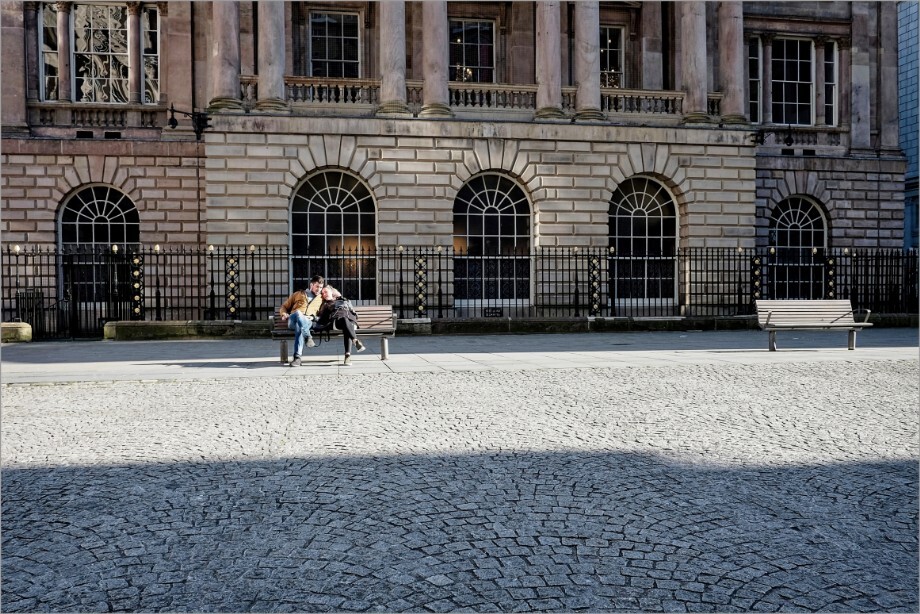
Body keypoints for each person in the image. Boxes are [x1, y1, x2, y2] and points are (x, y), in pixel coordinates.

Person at [278, 275, 324, 367]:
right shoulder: (298, 294)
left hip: (307, 321)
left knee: (300, 327)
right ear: (311, 285)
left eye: (321, 287)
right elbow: (284, 306)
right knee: (299, 313)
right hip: (293, 320)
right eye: (317, 287)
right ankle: (308, 336)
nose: (319, 289)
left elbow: (323, 314)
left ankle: (297, 358)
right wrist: (283, 314)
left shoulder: (321, 298)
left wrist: (314, 318)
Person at [314, 285, 365, 366]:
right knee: (345, 323)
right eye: (322, 293)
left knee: (346, 324)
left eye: (326, 292)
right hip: (335, 322)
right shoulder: (325, 304)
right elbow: (321, 317)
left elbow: (352, 311)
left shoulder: (344, 300)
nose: (324, 294)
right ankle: (354, 343)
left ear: (332, 292)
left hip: (349, 321)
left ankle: (349, 353)